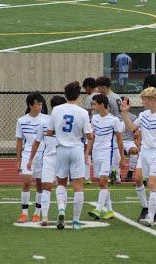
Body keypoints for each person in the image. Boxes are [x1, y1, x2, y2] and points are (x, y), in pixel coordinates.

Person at [121, 87, 156, 227]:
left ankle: (151, 216)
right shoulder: (144, 114)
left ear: (152, 100)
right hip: (144, 151)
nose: (142, 102)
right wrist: (124, 112)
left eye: (144, 100)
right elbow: (131, 127)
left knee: (152, 184)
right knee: (138, 178)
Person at [47, 81, 93, 230]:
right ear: (78, 95)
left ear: (65, 94)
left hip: (61, 150)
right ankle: (75, 220)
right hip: (77, 150)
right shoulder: (83, 112)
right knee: (78, 186)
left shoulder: (57, 110)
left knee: (61, 183)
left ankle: (61, 209)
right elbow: (89, 135)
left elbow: (49, 132)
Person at [28, 95, 67, 226]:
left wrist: (30, 160)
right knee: (61, 185)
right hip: (63, 157)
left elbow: (36, 142)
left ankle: (44, 217)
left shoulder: (44, 122)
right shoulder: (67, 123)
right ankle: (61, 209)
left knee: (46, 188)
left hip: (49, 158)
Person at [86, 94, 125, 220]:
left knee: (103, 181)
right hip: (96, 154)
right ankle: (110, 211)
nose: (92, 106)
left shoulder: (114, 120)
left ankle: (98, 209)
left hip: (107, 154)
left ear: (102, 105)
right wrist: (87, 153)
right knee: (102, 183)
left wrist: (123, 158)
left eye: (94, 104)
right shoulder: (95, 118)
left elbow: (119, 141)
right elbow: (92, 138)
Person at [15, 92, 47, 224]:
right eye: (38, 104)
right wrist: (18, 159)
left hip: (43, 155)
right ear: (30, 105)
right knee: (27, 181)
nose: (40, 106)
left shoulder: (47, 119)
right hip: (27, 155)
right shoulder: (21, 120)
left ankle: (37, 213)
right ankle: (24, 213)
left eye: (41, 104)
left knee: (40, 184)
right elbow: (19, 140)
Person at [96, 76, 123, 183]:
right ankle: (115, 173)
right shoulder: (116, 96)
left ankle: (114, 174)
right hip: (118, 122)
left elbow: (114, 114)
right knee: (114, 149)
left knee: (113, 149)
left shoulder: (109, 98)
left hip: (113, 124)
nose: (98, 90)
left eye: (99, 87)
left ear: (103, 87)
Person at [82, 77, 99, 184]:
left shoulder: (90, 98)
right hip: (102, 126)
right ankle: (98, 175)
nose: (85, 91)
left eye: (85, 88)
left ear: (88, 87)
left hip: (91, 125)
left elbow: (86, 113)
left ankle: (87, 176)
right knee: (98, 151)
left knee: (87, 150)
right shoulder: (102, 96)